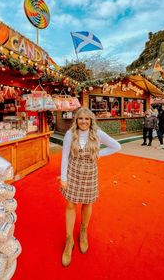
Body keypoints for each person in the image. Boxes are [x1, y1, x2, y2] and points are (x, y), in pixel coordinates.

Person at [60, 107, 121, 267]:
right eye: (81, 118)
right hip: (72, 172)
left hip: (90, 173)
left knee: (87, 203)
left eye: (87, 119)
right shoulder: (69, 134)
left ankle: (83, 231)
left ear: (91, 121)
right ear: (76, 120)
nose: (84, 122)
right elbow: (65, 156)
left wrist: (98, 154)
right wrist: (64, 178)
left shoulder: (98, 134)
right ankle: (69, 239)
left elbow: (116, 146)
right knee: (70, 204)